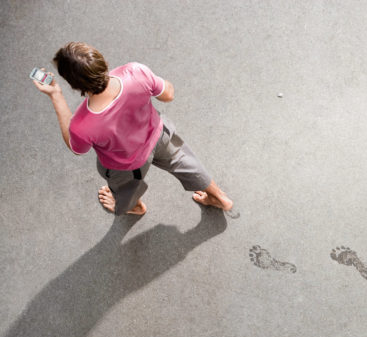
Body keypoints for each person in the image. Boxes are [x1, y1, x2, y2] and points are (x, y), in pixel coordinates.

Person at [33, 42, 233, 216]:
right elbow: (168, 94)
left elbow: (76, 147)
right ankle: (220, 198)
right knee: (185, 162)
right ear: (101, 62)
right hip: (159, 135)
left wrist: (55, 95)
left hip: (128, 165)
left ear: (75, 85)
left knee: (126, 189)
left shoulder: (81, 124)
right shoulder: (134, 72)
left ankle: (135, 207)